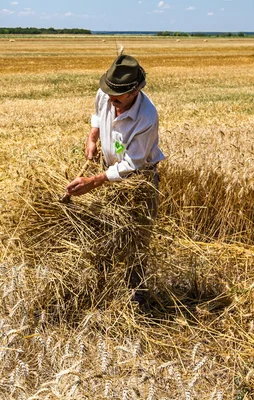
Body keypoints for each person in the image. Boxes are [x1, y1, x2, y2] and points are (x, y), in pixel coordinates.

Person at [65, 53, 166, 302]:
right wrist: (92, 138)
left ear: (135, 91)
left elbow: (133, 163)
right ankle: (103, 285)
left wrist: (94, 181)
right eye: (110, 96)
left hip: (138, 180)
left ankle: (136, 295)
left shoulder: (146, 117)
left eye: (118, 99)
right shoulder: (107, 94)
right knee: (103, 229)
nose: (112, 102)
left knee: (136, 237)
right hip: (107, 171)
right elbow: (99, 116)